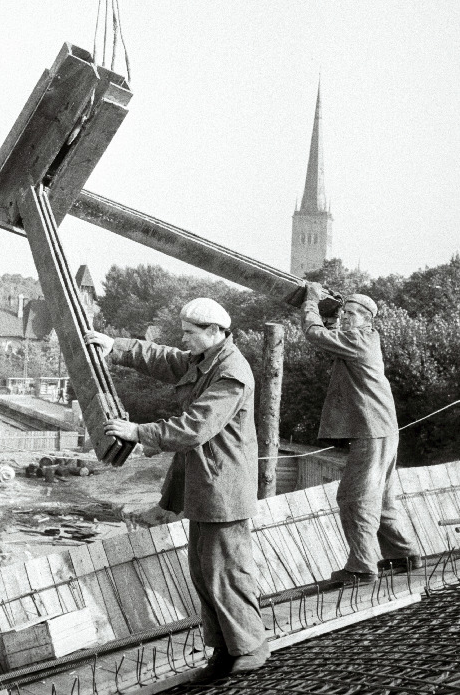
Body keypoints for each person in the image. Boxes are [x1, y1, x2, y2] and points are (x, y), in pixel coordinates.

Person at [85, 297, 269, 680]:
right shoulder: (205, 360)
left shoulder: (231, 372)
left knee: (228, 571)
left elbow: (195, 426)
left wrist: (138, 432)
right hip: (207, 483)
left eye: (190, 333)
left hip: (224, 486)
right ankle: (225, 648)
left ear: (215, 332)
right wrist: (114, 346)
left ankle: (250, 646)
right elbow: (164, 359)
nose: (183, 339)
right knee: (204, 572)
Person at [301, 283, 421, 583]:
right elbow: (328, 334)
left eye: (353, 314)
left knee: (354, 498)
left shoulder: (358, 339)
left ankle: (362, 567)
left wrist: (311, 302)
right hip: (381, 429)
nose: (346, 318)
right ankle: (404, 554)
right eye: (345, 312)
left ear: (368, 318)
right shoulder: (362, 337)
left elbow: (314, 334)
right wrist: (328, 315)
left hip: (372, 430)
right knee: (379, 498)